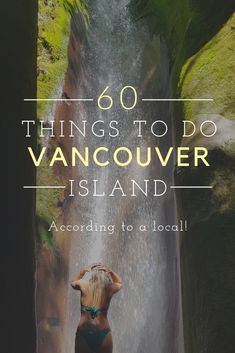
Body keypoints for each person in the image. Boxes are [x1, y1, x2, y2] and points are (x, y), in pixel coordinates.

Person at [71, 263, 122, 353]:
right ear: (105, 277)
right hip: (103, 333)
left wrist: (82, 272)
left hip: (84, 333)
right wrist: (111, 272)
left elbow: (73, 282)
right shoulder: (109, 288)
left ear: (92, 276)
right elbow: (119, 283)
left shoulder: (84, 285)